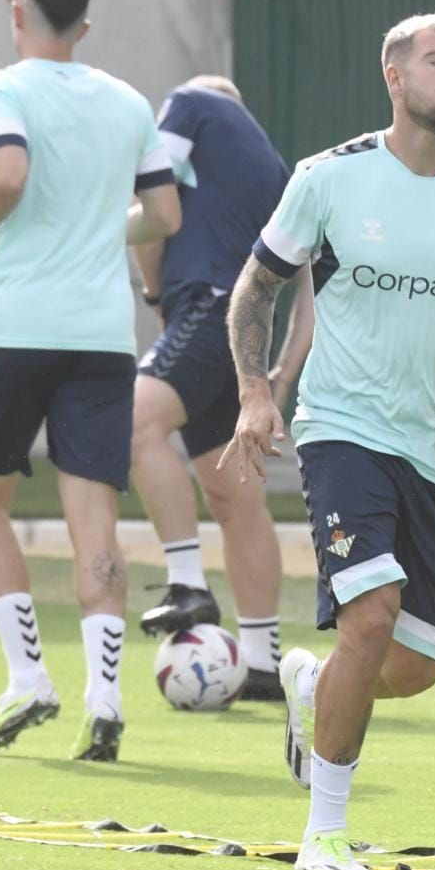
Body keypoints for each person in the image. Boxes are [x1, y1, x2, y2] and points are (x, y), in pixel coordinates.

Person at [219, 13, 435, 870]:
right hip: (343, 431)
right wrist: (257, 393)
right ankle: (324, 834)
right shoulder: (329, 178)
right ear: (394, 77)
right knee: (369, 613)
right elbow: (254, 292)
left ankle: (306, 682)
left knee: (406, 667)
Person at [0, 0, 181, 763]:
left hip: (18, 327)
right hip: (100, 335)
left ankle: (27, 678)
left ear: (17, 13)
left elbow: (6, 175)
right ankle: (105, 701)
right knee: (96, 518)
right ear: (84, 24)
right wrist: (92, 227)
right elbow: (163, 213)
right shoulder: (126, 100)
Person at [131, 74, 313, 701]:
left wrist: (154, 295)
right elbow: (309, 302)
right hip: (247, 338)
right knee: (235, 497)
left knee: (133, 424)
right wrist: (273, 384)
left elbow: (156, 212)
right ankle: (262, 663)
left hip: (205, 305)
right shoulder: (279, 175)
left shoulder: (190, 103)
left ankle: (187, 582)